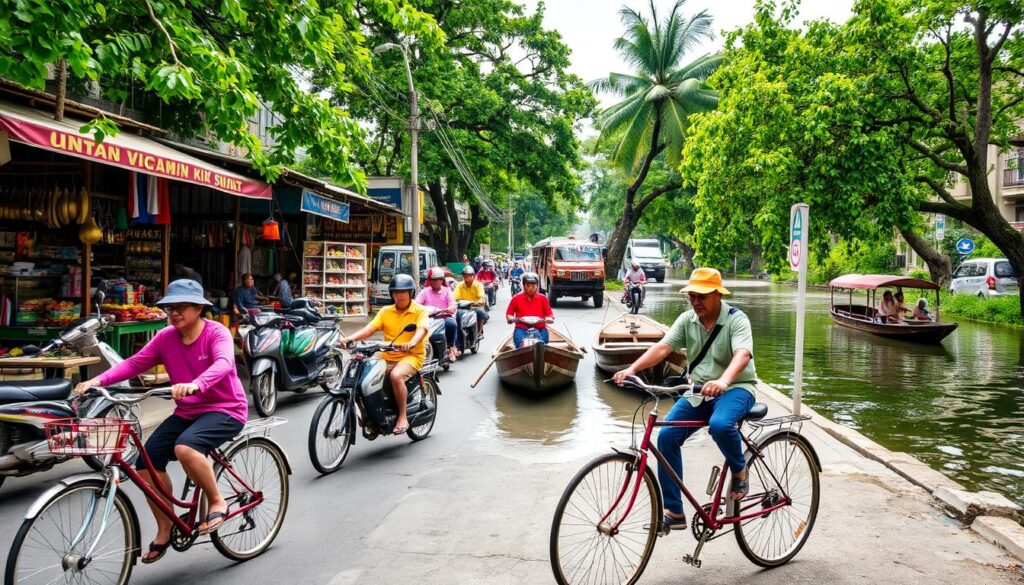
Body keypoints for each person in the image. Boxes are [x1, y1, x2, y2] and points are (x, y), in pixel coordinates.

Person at [74, 279, 248, 563]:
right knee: (146, 462)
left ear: (198, 309)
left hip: (226, 408)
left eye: (181, 307)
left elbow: (224, 363)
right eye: (170, 307)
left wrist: (197, 384)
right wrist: (97, 379)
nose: (174, 312)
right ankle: (165, 528)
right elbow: (134, 363)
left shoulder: (216, 333)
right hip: (188, 411)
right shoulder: (166, 336)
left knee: (185, 448)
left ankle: (217, 500)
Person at [612, 267, 758, 531]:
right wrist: (632, 369)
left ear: (717, 295)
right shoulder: (686, 320)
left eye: (701, 296)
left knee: (720, 425)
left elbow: (743, 354)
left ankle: (740, 470)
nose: (695, 302)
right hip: (699, 391)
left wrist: (724, 381)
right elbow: (663, 348)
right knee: (666, 437)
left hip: (737, 387)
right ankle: (674, 511)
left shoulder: (737, 319)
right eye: (691, 296)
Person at [340, 274, 428, 435]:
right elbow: (370, 329)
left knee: (395, 376)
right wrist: (350, 338)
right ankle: (372, 413)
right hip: (387, 355)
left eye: (404, 292)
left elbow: (422, 329)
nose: (399, 296)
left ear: (411, 293)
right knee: (363, 375)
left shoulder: (419, 311)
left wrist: (413, 342)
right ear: (391, 294)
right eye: (396, 292)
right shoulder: (386, 311)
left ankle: (402, 416)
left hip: (411, 355)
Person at [416, 267, 460, 362]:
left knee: (451, 324)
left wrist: (451, 308)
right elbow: (416, 304)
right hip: (429, 318)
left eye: (438, 279)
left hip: (444, 317)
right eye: (433, 280)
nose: (436, 282)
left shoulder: (447, 291)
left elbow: (452, 303)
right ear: (430, 281)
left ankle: (451, 347)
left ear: (442, 280)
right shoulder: (424, 292)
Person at [506, 272, 554, 348]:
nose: (531, 288)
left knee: (542, 345)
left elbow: (549, 314)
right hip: (521, 328)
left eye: (533, 285)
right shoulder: (516, 298)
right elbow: (509, 314)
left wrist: (549, 318)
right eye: (528, 285)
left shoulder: (543, 298)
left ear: (537, 286)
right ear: (524, 286)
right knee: (520, 346)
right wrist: (512, 319)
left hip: (540, 328)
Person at [454, 266, 489, 337]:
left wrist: (479, 301)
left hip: (475, 307)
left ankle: (479, 333)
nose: (467, 277)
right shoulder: (459, 285)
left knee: (482, 314)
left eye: (470, 276)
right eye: (465, 275)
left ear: (473, 276)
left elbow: (481, 297)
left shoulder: (478, 285)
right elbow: (455, 297)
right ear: (462, 276)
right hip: (462, 308)